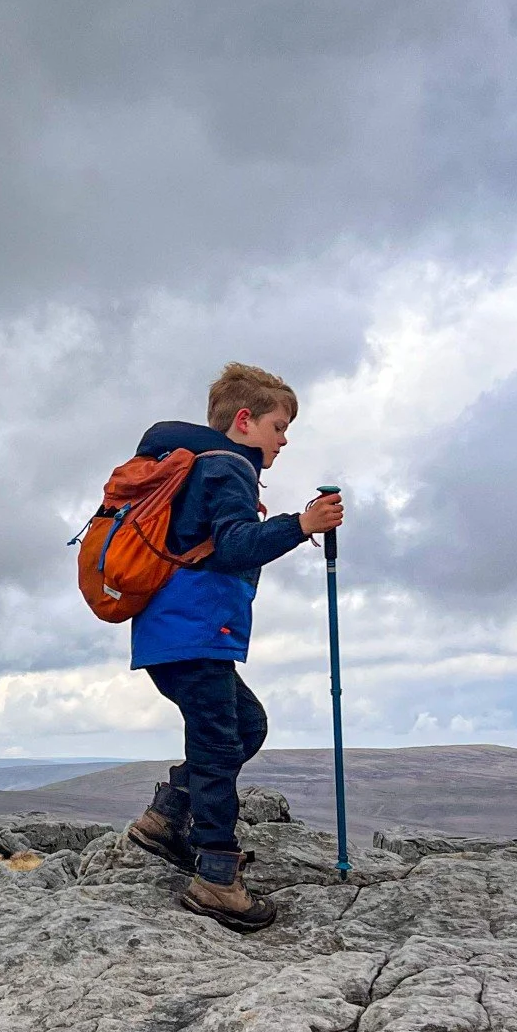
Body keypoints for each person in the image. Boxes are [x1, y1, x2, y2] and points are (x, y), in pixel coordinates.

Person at [125, 362, 343, 931]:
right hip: (193, 629)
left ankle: (167, 817)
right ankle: (217, 878)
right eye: (278, 426)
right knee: (221, 742)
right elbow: (232, 546)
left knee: (245, 726)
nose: (284, 438)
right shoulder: (228, 468)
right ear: (244, 421)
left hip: (177, 630)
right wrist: (303, 524)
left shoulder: (206, 466)